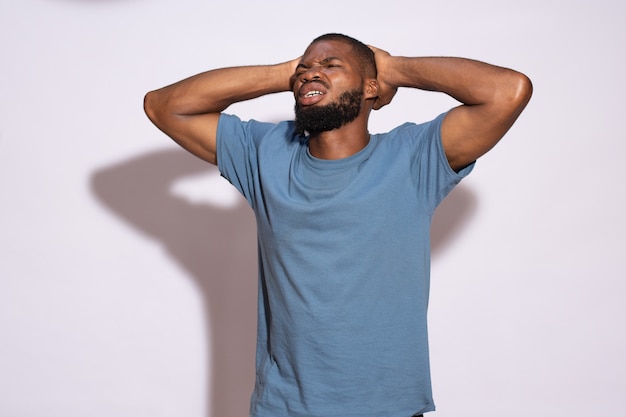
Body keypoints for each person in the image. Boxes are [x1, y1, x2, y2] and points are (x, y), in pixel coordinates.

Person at [144, 33, 532, 417]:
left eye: (331, 65)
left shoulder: (413, 157)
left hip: (387, 407)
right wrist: (287, 73)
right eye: (306, 67)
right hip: (285, 408)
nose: (312, 73)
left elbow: (508, 90)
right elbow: (163, 106)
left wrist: (393, 67)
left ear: (370, 89)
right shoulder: (265, 153)